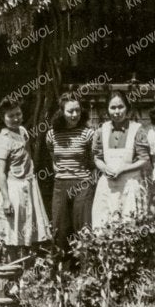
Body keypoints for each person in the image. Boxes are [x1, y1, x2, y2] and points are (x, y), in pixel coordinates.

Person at [0, 97, 51, 258]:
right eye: (11, 116)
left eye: (18, 114)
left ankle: (28, 270)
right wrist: (6, 199)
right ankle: (13, 269)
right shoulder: (0, 140)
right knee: (13, 232)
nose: (16, 118)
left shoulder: (23, 132)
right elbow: (1, 173)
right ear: (3, 118)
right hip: (14, 189)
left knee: (30, 230)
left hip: (30, 185)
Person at [44, 91, 97, 251]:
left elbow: (93, 161)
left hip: (82, 184)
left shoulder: (88, 134)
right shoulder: (52, 135)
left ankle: (85, 263)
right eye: (70, 111)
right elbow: (54, 158)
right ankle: (63, 264)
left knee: (83, 227)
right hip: (60, 185)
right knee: (60, 228)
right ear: (61, 112)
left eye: (77, 110)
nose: (74, 115)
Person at [91, 87, 150, 228]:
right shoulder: (101, 131)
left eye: (120, 107)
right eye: (113, 108)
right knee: (103, 225)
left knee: (129, 224)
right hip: (107, 186)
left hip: (130, 185)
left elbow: (144, 159)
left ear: (127, 108)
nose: (117, 112)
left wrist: (124, 169)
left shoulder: (137, 130)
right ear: (107, 110)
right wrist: (104, 168)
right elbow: (97, 157)